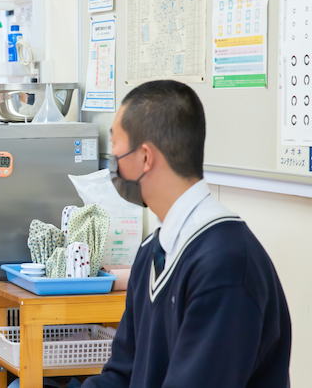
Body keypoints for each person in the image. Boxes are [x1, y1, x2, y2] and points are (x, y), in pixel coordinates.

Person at [82, 80, 291, 387]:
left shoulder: (226, 266)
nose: (112, 162)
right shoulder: (153, 251)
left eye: (115, 148)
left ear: (144, 157)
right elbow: (122, 375)